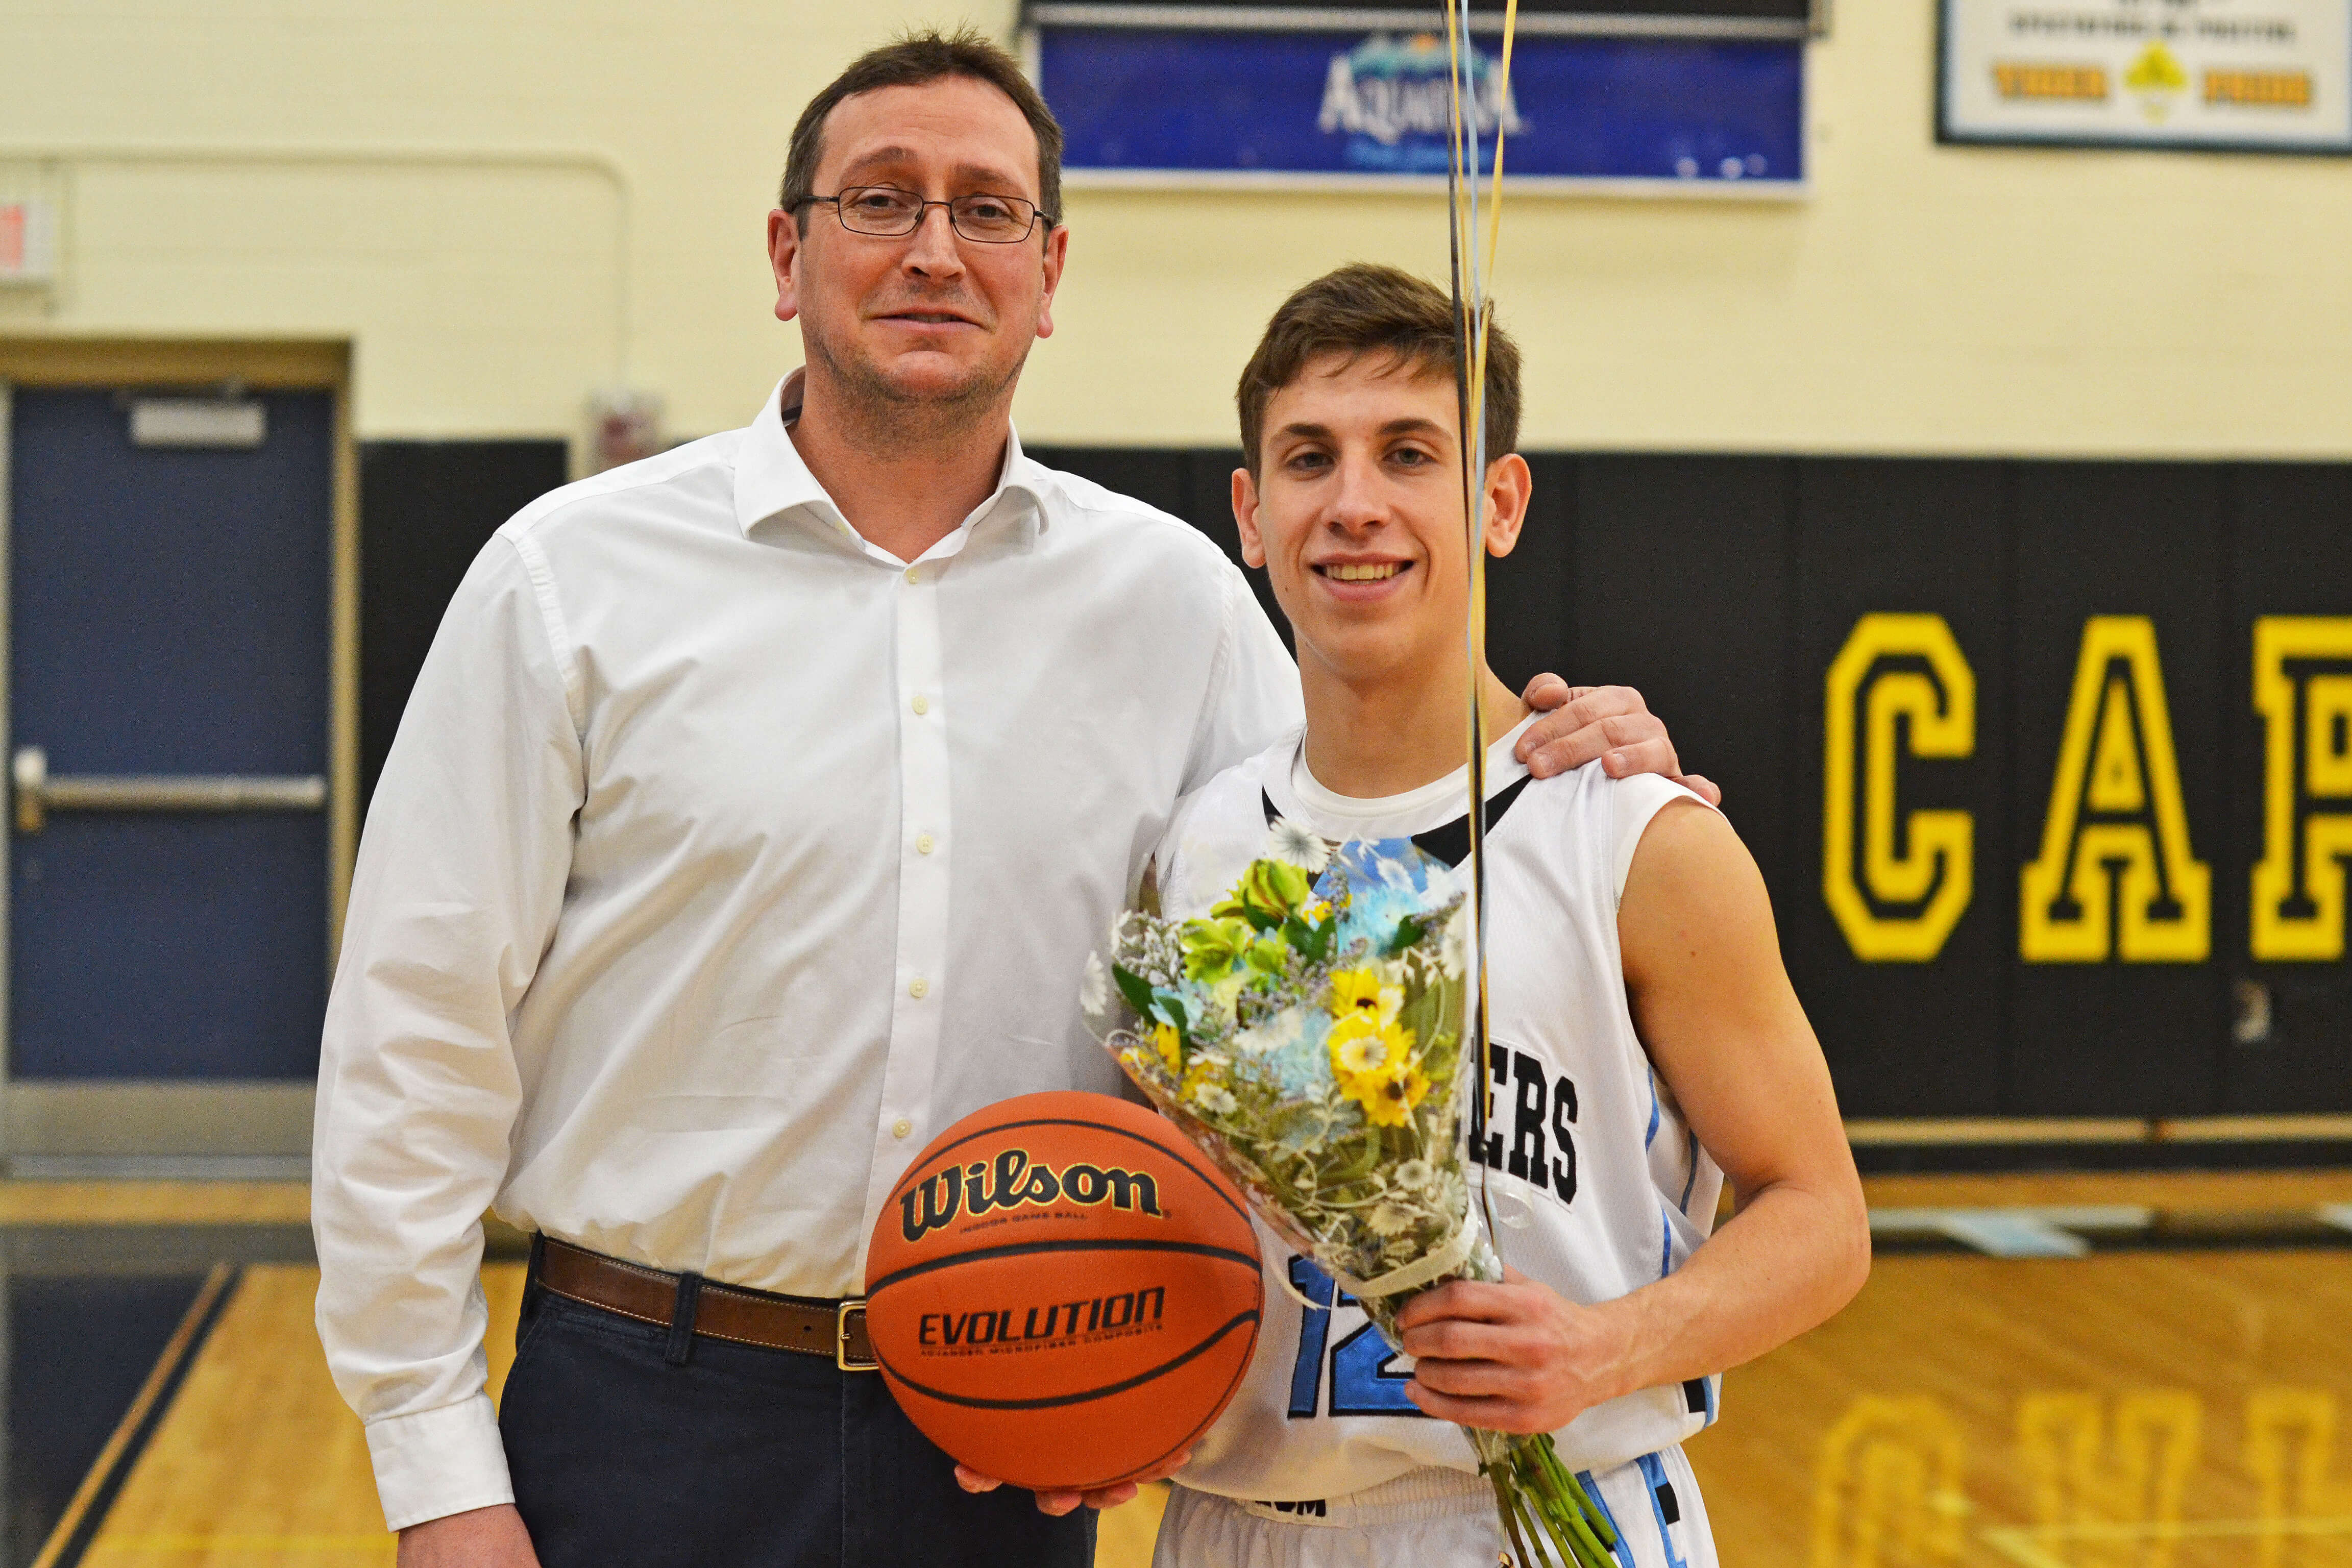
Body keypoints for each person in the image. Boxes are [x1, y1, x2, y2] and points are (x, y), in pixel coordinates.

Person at [311, 33, 1708, 1568]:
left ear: (1049, 273)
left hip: (1023, 1420)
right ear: (788, 253)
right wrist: (438, 1480)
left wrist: (1555, 746)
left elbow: (1354, 878)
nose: (933, 249)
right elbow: (413, 1049)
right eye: (880, 201)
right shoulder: (565, 580)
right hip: (647, 1409)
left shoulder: (1175, 603)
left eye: (986, 211)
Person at [1118, 264, 1872, 1566]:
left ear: (1499, 501)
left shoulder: (1636, 834)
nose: (1354, 505)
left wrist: (1604, 1348)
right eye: (1309, 459)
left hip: (1547, 1525)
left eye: (1409, 454)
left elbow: (1823, 1218)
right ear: (1251, 512)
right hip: (1231, 1528)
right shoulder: (1197, 849)